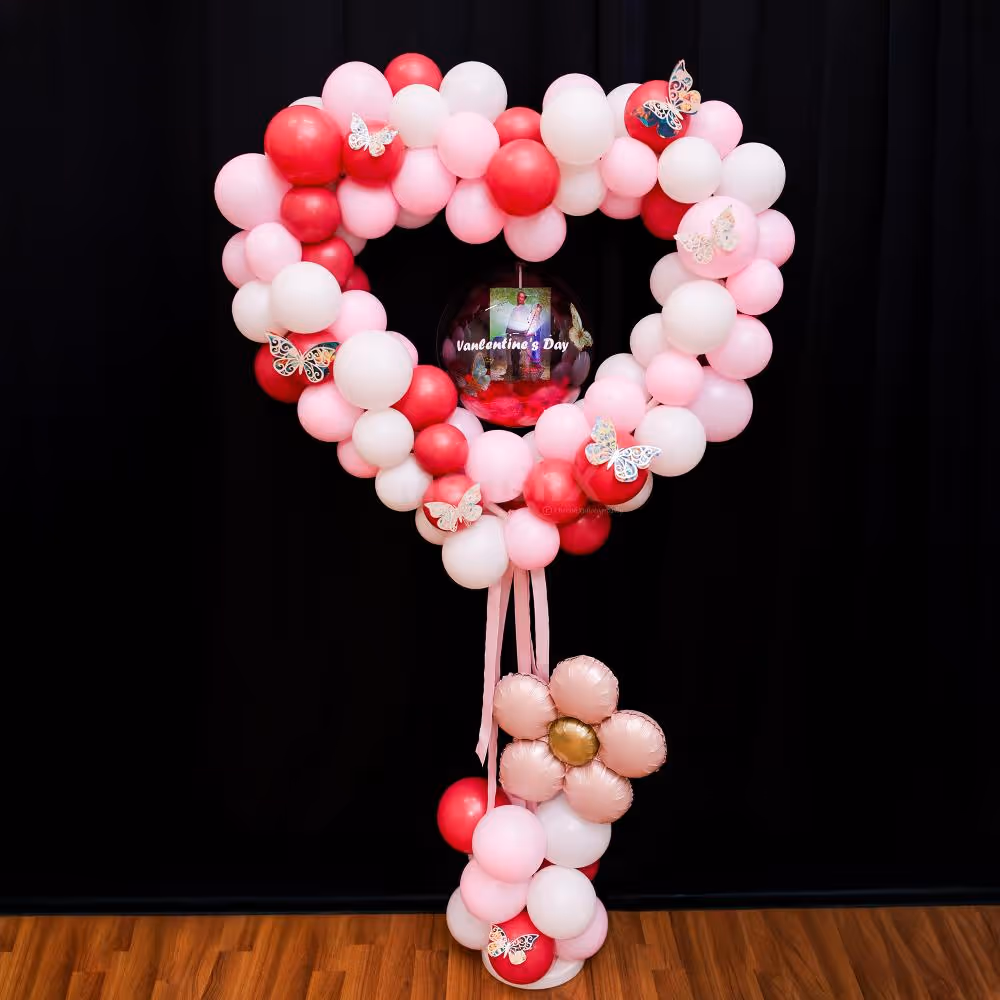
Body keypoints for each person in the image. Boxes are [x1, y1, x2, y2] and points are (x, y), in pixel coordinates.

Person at [503, 291, 533, 381]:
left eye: (522, 297)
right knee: (513, 353)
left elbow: (529, 321)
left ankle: (520, 372)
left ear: (524, 299)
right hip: (513, 334)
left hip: (521, 335)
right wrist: (508, 331)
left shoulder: (526, 309)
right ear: (517, 297)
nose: (521, 299)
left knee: (522, 354)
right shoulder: (514, 309)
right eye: (519, 297)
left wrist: (527, 329)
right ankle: (515, 372)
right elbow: (511, 321)